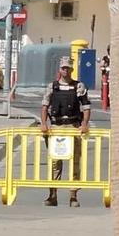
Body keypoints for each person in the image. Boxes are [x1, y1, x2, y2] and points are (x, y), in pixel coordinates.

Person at [38, 55, 91, 207]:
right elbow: (45, 106)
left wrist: (85, 124)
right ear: (59, 69)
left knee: (75, 162)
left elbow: (86, 107)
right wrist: (44, 123)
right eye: (63, 68)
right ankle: (52, 195)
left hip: (73, 126)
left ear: (72, 69)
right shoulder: (52, 87)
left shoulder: (78, 86)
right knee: (55, 162)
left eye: (68, 68)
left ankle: (73, 196)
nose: (65, 70)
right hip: (57, 126)